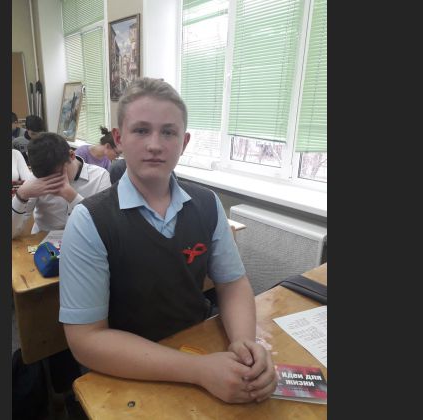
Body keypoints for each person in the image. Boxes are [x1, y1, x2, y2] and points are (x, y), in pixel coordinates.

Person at [58, 78, 276, 404]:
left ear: (184, 142)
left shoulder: (207, 204)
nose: (155, 145)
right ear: (119, 138)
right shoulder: (89, 221)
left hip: (199, 347)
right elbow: (85, 340)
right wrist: (198, 370)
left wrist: (245, 344)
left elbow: (232, 283)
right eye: (141, 130)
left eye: (169, 132)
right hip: (127, 370)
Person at [11, 132, 111, 239]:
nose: (52, 180)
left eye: (57, 174)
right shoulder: (36, 178)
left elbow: (105, 227)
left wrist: (72, 196)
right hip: (44, 242)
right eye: (46, 178)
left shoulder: (100, 176)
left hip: (84, 241)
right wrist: (21, 195)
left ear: (72, 155)